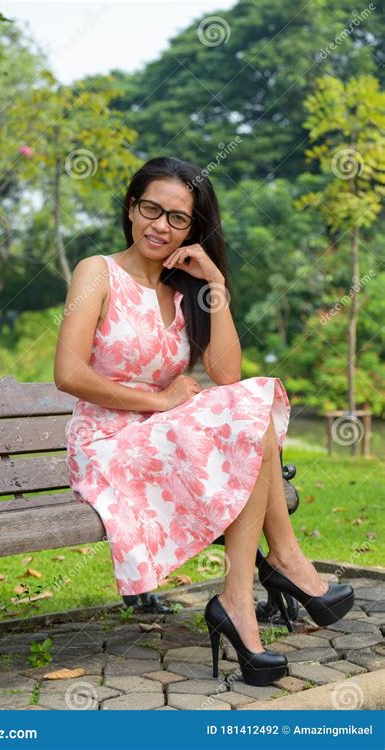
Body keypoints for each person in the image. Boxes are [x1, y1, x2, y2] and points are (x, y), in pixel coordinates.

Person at [54, 156, 354, 686]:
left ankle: (243, 593)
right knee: (248, 409)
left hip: (159, 437)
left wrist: (214, 282)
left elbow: (227, 374)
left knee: (250, 400)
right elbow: (68, 372)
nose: (160, 225)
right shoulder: (96, 273)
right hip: (106, 443)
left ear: (193, 229)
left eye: (177, 218)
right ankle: (277, 565)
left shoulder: (184, 286)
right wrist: (161, 402)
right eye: (151, 209)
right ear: (130, 208)